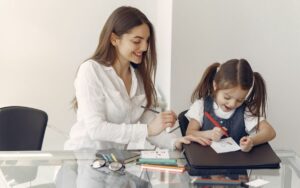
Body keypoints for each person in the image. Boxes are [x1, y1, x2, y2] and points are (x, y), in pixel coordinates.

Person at [64, 6, 208, 151]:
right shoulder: (91, 70)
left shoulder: (139, 78)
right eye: (137, 41)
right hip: (82, 158)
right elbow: (96, 129)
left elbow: (150, 125)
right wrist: (147, 129)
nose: (145, 47)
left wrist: (176, 142)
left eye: (147, 41)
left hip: (114, 162)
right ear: (114, 39)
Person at [185, 59, 276, 152]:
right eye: (227, 97)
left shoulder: (245, 111)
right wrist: (209, 134)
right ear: (215, 86)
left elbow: (270, 132)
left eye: (240, 100)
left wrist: (252, 141)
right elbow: (189, 133)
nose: (232, 104)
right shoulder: (201, 105)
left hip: (236, 165)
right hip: (205, 164)